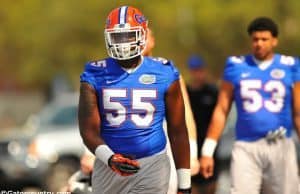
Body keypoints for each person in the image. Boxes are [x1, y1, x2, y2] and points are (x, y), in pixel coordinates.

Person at [78, 6, 191, 194]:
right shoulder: (95, 73)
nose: (123, 44)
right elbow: (88, 130)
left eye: (129, 36)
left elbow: (178, 130)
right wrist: (110, 158)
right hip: (108, 165)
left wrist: (184, 184)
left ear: (143, 34)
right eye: (117, 37)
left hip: (152, 163)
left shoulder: (164, 72)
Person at [199, 17, 300, 194]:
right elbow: (222, 110)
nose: (259, 44)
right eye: (255, 39)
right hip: (246, 146)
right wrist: (208, 150)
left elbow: (298, 113)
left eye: (264, 39)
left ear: (274, 40)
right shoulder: (236, 65)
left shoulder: (290, 66)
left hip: (281, 144)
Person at [186, 55, 219, 194]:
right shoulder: (187, 92)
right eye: (194, 70)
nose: (197, 73)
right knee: (192, 182)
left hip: (209, 142)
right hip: (192, 142)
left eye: (199, 70)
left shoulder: (212, 92)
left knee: (210, 181)